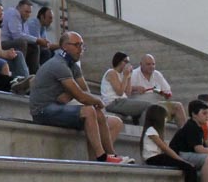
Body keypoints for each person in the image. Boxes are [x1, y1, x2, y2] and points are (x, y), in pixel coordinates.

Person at [29, 32, 130, 163]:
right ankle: (101, 156)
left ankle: (111, 155)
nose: (80, 49)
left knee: (104, 116)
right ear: (65, 47)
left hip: (58, 106)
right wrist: (96, 100)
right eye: (77, 45)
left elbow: (85, 91)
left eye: (82, 45)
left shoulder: (73, 66)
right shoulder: (58, 64)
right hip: (42, 110)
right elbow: (82, 97)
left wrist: (71, 93)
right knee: (89, 111)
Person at [140, 105, 208, 182]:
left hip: (157, 157)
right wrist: (180, 160)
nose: (165, 120)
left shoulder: (154, 131)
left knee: (189, 167)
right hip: (153, 158)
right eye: (164, 117)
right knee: (188, 167)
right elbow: (165, 148)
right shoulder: (151, 130)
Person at [129, 55, 187, 127]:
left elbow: (168, 93)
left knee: (178, 106)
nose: (151, 66)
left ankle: (185, 132)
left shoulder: (157, 74)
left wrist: (160, 92)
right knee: (151, 109)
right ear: (141, 64)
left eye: (153, 64)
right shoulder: (133, 74)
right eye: (148, 64)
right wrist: (135, 88)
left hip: (156, 104)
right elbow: (124, 92)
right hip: (140, 105)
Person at [100, 51, 153, 124]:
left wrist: (129, 77)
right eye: (126, 61)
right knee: (149, 106)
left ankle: (140, 126)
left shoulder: (122, 74)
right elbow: (119, 92)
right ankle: (144, 129)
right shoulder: (112, 72)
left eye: (128, 62)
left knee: (145, 108)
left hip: (122, 101)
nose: (128, 64)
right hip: (113, 102)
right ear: (119, 61)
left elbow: (128, 93)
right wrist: (125, 76)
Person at [0, 0, 48, 75]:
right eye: (26, 12)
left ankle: (34, 74)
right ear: (18, 8)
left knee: (34, 46)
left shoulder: (23, 19)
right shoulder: (14, 14)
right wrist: (37, 40)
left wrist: (37, 41)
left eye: (30, 12)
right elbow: (17, 36)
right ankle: (21, 72)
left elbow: (26, 35)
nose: (28, 14)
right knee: (22, 43)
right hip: (1, 43)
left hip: (11, 43)